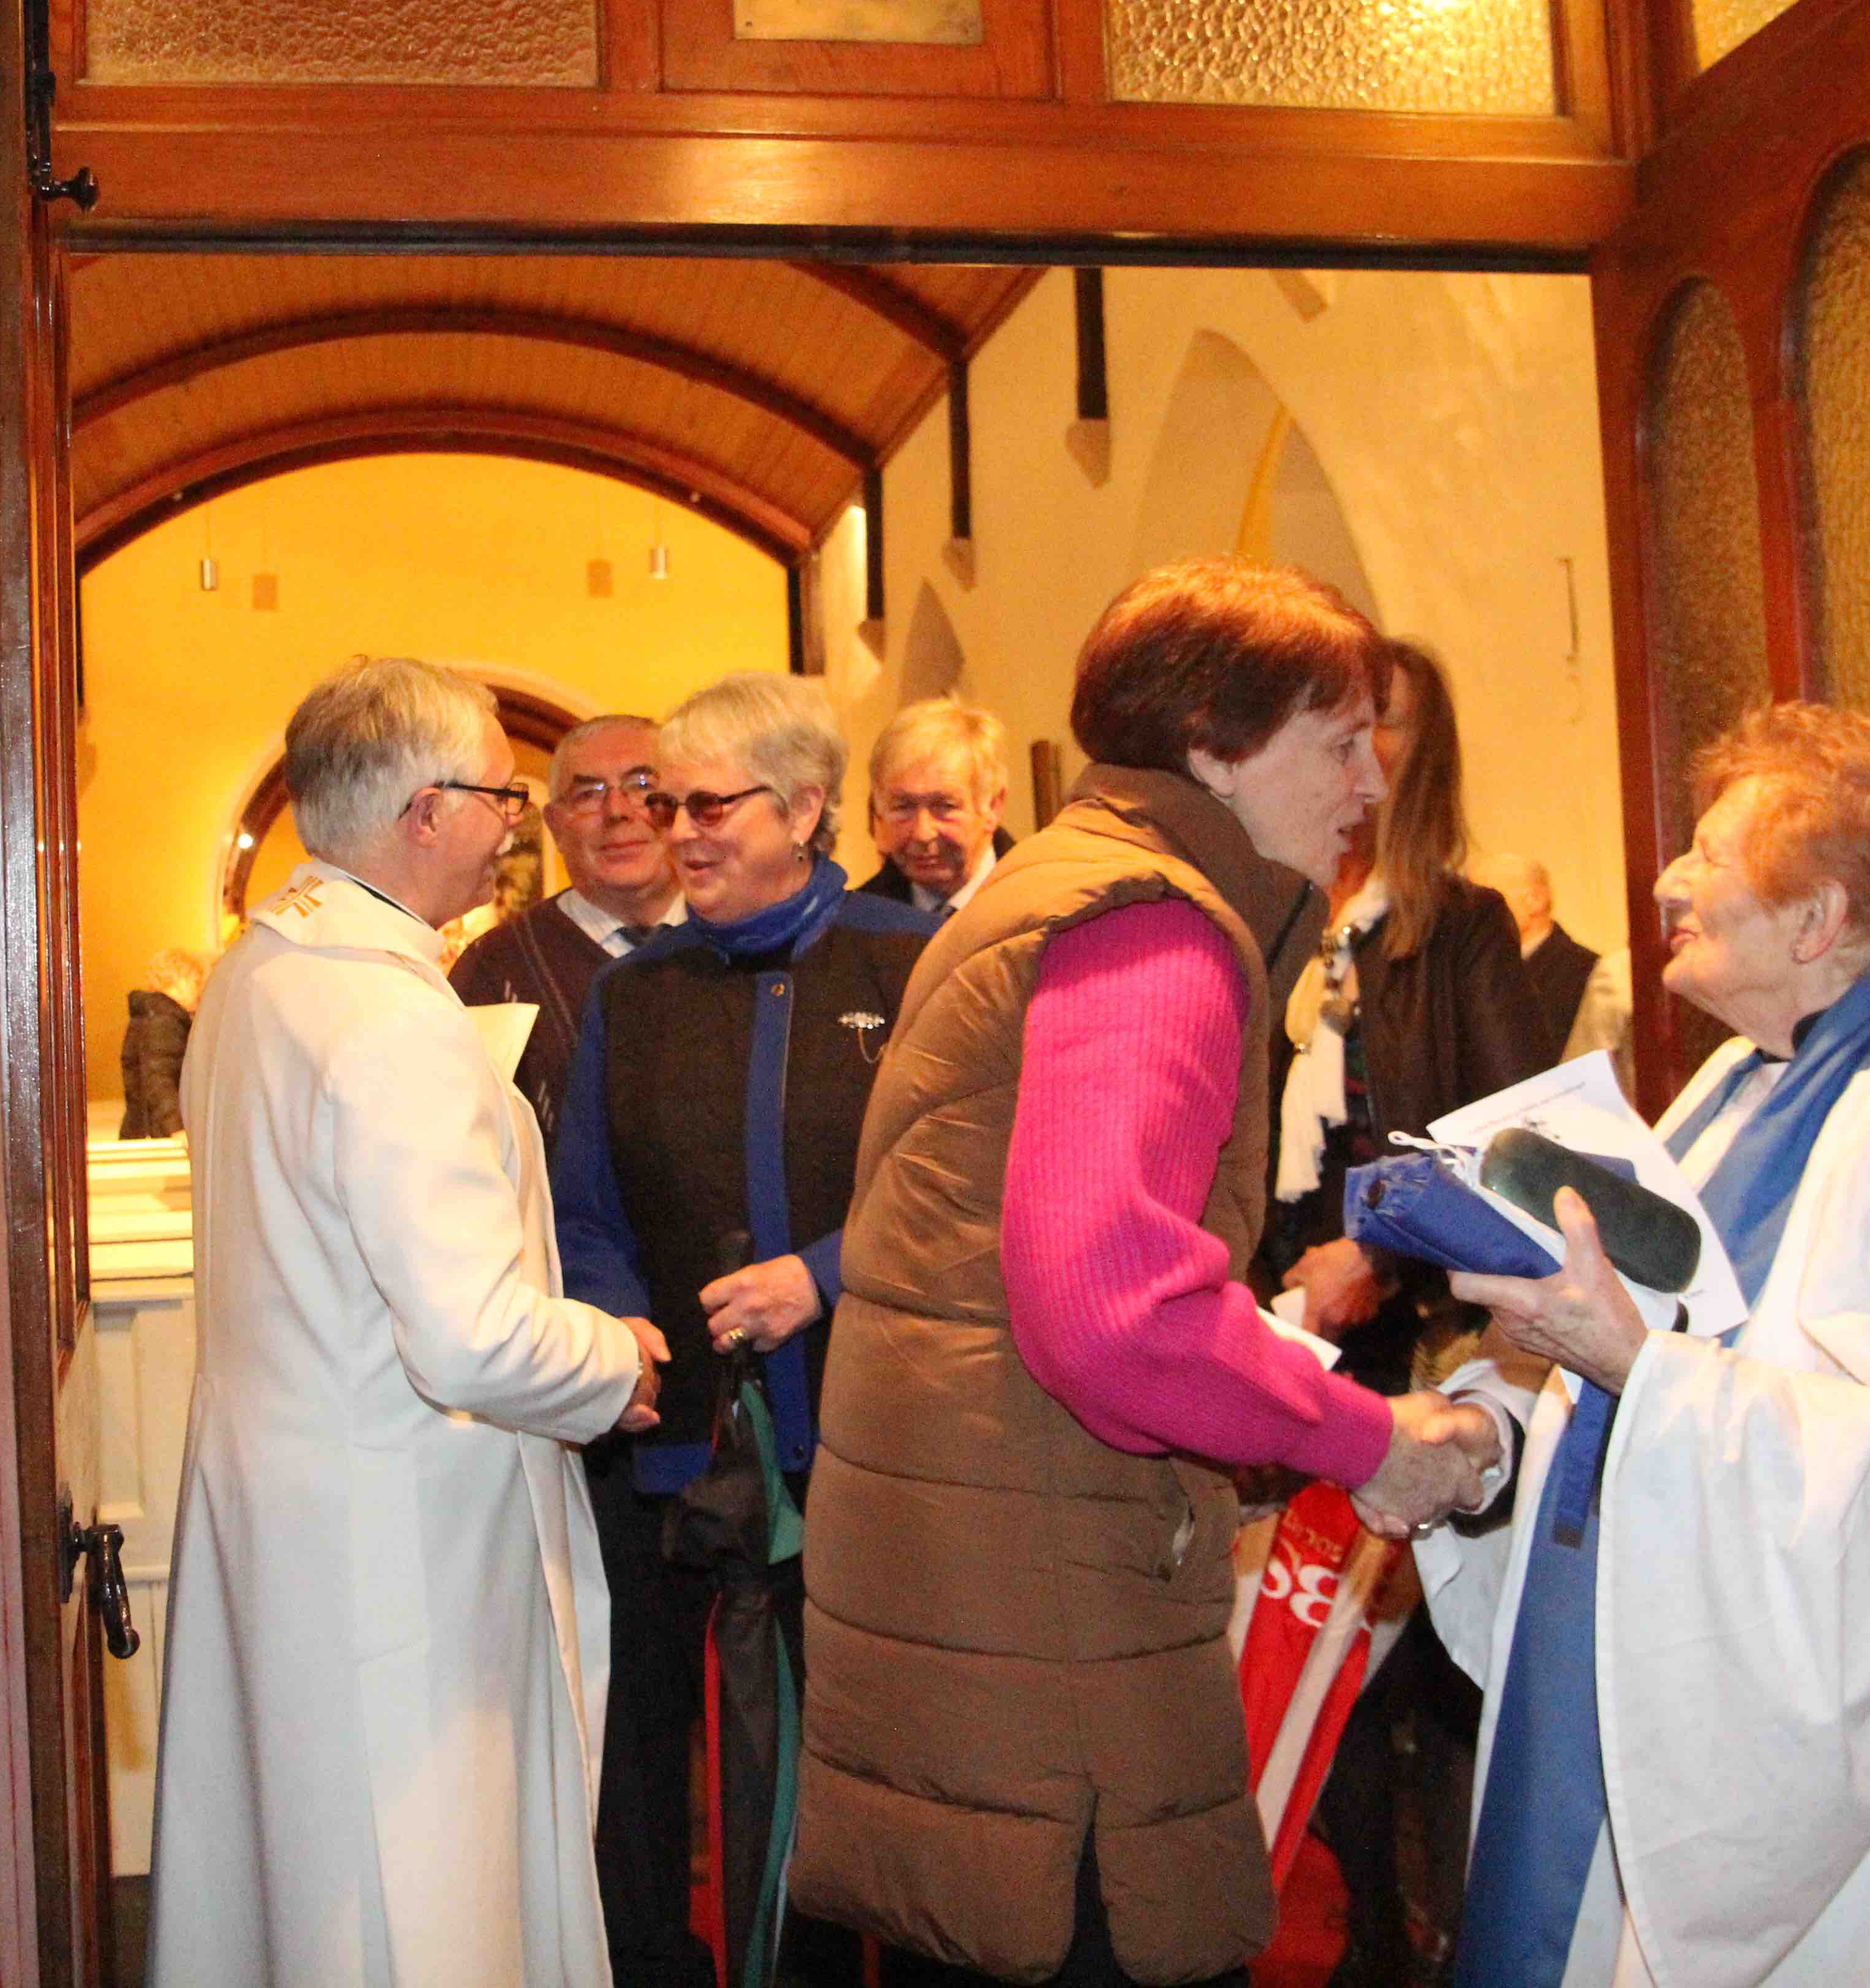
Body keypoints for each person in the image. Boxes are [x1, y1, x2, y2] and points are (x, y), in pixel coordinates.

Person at [794, 560, 1514, 1988]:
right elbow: (1111, 1308)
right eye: (1339, 738)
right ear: (1214, 741)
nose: (1370, 780)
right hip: (1057, 1629)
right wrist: (1367, 1438)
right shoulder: (1153, 928)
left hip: (985, 1582)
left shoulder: (1066, 888)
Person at [1426, 703, 1870, 1987]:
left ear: (1819, 922)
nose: (1665, 880)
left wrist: (1639, 1369)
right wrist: (1490, 1432)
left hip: (1846, 1812)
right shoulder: (1733, 1086)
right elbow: (1646, 1365)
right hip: (1643, 1702)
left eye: (1707, 856)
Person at [144, 657, 669, 1988]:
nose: (516, 828)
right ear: (426, 810)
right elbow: (474, 1340)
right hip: (403, 1541)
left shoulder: (265, 975)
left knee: (304, 1876)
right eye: (503, 795)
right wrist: (618, 1360)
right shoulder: (384, 1016)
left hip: (304, 1498)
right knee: (419, 1897)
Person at [554, 670, 937, 1988]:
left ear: (808, 807)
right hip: (675, 1451)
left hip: (872, 1442)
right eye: (670, 804)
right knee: (661, 1759)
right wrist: (620, 1324)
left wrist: (823, 1276)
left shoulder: (913, 959)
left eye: (709, 803)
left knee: (851, 1768)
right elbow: (587, 1204)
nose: (680, 832)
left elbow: (962, 1190)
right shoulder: (639, 992)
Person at [1253, 639, 1556, 1986]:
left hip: (1398, 1330)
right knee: (1293, 1663)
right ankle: (1338, 1933)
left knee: (1419, 1683)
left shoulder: (1463, 926)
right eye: (1338, 729)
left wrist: (1370, 1252)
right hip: (1268, 1315)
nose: (1359, 756)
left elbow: (1505, 1151)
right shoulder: (1265, 910)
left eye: (1383, 732)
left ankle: (1424, 1942)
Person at [449, 712, 685, 1137]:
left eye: (643, 787)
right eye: (589, 795)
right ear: (556, 827)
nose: (617, 811)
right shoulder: (493, 970)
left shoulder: (739, 943)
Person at [1469, 850, 1633, 1088]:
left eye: (1487, 902)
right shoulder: (1482, 974)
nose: (1474, 916)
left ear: (1535, 900)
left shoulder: (1585, 972)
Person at [856, 695, 1015, 912]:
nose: (923, 834)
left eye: (945, 806)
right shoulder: (857, 926)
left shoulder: (1046, 907)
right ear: (879, 813)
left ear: (993, 808)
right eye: (904, 807)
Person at [118, 947, 206, 1138]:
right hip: (158, 1134)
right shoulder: (164, 1022)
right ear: (179, 980)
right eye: (196, 982)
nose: (200, 990)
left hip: (142, 1129)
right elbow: (159, 1077)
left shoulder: (148, 1016)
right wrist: (176, 1127)